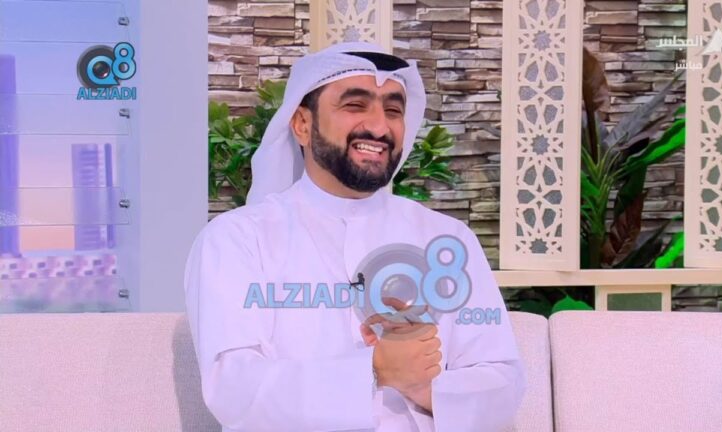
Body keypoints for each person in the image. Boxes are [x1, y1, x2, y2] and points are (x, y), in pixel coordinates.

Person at [184, 42, 525, 432]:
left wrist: (426, 388)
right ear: (302, 124)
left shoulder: (449, 239)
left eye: (393, 110)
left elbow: (504, 381)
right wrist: (375, 370)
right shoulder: (237, 240)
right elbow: (233, 389)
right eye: (355, 105)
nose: (379, 127)